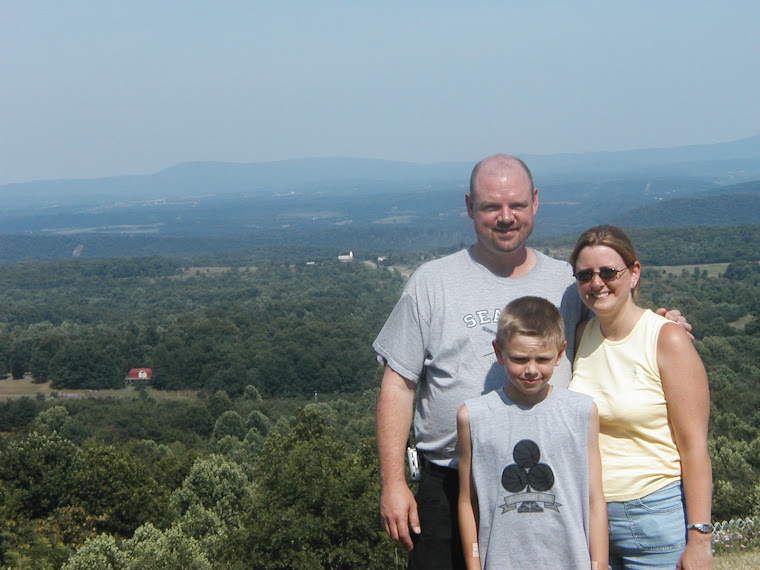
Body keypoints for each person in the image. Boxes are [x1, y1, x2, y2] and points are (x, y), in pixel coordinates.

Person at [373, 155, 689, 569]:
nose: (506, 217)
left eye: (516, 205)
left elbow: (617, 328)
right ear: (469, 206)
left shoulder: (568, 284)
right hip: (452, 485)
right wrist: (393, 482)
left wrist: (661, 322)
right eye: (491, 206)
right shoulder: (432, 283)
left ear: (535, 203)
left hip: (551, 483)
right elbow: (398, 383)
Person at [568, 225, 712, 570]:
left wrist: (700, 539)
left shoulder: (666, 339)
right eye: (585, 275)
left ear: (634, 274)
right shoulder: (580, 336)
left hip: (654, 515)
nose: (597, 283)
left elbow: (694, 448)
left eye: (608, 272)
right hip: (590, 518)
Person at [457, 296, 607, 569]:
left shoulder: (582, 412)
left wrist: (598, 564)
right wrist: (474, 563)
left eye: (543, 359)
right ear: (499, 352)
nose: (531, 370)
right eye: (519, 358)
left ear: (560, 354)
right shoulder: (473, 417)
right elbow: (468, 500)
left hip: (571, 560)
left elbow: (595, 499)